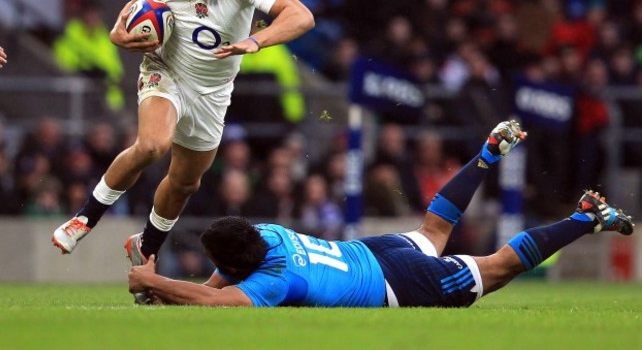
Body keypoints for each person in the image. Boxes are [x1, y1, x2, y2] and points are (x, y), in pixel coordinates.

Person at [52, 0, 315, 302]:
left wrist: (256, 40)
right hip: (166, 72)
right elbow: (131, 15)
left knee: (185, 183)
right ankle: (85, 218)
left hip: (213, 93)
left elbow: (301, 16)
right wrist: (117, 36)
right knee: (152, 146)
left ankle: (145, 248)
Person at [127, 120, 634, 307]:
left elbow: (216, 299)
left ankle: (586, 216)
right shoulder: (269, 234)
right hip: (375, 252)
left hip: (397, 283)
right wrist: (159, 287)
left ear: (238, 266)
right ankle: (485, 156)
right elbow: (217, 285)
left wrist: (149, 281)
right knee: (436, 227)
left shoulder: (275, 282)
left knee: (498, 267)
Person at [53, 0, 126, 111]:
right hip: (81, 96)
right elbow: (63, 60)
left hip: (108, 97)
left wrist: (108, 75)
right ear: (82, 15)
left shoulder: (106, 37)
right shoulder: (70, 34)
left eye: (96, 15)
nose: (94, 18)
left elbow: (115, 67)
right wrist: (87, 70)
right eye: (90, 14)